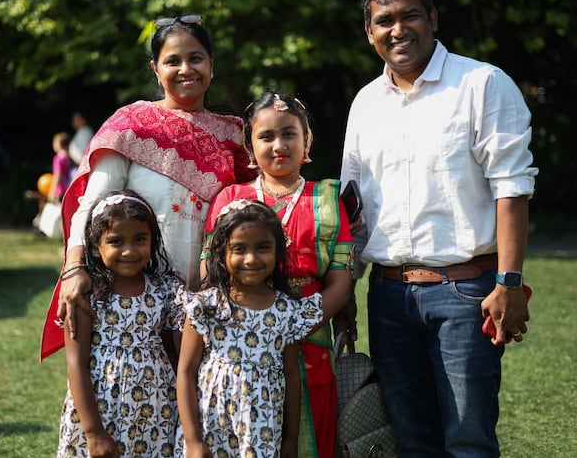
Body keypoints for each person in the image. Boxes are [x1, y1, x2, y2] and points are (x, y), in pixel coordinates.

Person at [340, 0, 538, 456]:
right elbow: (352, 205)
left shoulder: (482, 84)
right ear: (369, 32)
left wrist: (509, 284)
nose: (397, 29)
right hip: (386, 296)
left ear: (433, 17)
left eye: (410, 15)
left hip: (467, 293)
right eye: (384, 21)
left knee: (467, 442)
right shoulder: (366, 102)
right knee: (410, 441)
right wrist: (343, 287)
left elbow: (512, 190)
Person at [40, 15, 256, 360]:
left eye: (196, 58)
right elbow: (91, 205)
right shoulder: (131, 126)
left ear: (211, 65)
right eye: (173, 61)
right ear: (156, 69)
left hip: (216, 302)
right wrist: (74, 268)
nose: (186, 68)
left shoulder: (235, 136)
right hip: (139, 303)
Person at [202, 92, 354, 457]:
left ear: (307, 141)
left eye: (289, 134)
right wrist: (257, 324)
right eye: (266, 136)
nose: (279, 145)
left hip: (311, 336)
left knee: (312, 439)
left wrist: (293, 322)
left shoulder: (327, 199)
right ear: (249, 146)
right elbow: (211, 272)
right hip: (244, 344)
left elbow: (340, 279)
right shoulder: (231, 199)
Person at [177, 198, 322, 458]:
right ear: (222, 252)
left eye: (263, 247)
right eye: (239, 249)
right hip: (210, 431)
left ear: (278, 251)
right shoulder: (205, 307)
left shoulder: (287, 311)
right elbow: (185, 373)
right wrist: (193, 441)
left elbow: (291, 376)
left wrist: (289, 441)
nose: (251, 258)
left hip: (261, 433)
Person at [57, 190, 181, 457]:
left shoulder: (166, 290)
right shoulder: (86, 295)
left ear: (153, 240)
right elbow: (75, 364)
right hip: (100, 413)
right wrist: (93, 432)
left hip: (155, 411)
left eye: (140, 239)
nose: (129, 250)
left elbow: (177, 354)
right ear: (95, 245)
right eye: (115, 241)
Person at [47, 132, 73, 204]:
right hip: (70, 189)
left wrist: (52, 192)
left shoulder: (58, 158)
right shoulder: (70, 157)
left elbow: (57, 175)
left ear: (59, 145)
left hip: (61, 191)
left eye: (54, 143)